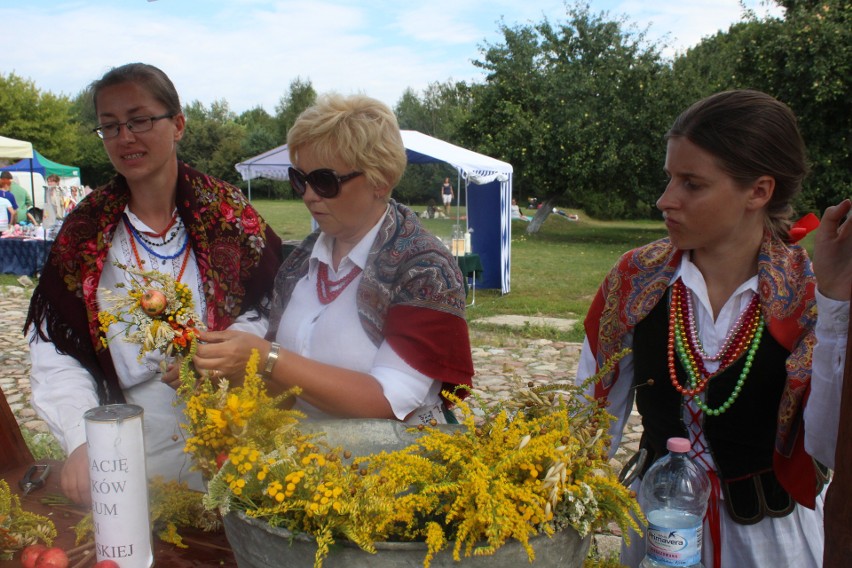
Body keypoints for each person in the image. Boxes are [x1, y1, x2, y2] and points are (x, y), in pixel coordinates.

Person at [576, 90, 850, 568]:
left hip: (770, 540)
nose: (666, 200)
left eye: (692, 184)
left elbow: (828, 443)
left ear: (759, 191)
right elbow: (589, 416)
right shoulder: (637, 276)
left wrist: (836, 303)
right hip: (659, 527)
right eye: (669, 179)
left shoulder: (809, 291)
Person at [24, 63, 283, 505]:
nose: (125, 137)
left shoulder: (229, 217)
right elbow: (54, 349)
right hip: (127, 442)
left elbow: (272, 309)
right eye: (109, 126)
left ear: (178, 124)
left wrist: (225, 354)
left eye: (140, 119)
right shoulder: (86, 232)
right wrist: (83, 439)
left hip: (236, 438)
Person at [190, 93, 474, 425]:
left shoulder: (425, 268)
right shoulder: (304, 257)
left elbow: (390, 397)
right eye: (301, 179)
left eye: (325, 181)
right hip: (303, 466)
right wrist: (215, 357)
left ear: (379, 181)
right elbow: (264, 323)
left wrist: (267, 358)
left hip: (390, 469)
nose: (309, 195)